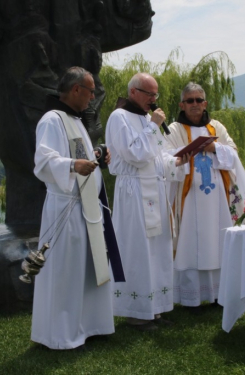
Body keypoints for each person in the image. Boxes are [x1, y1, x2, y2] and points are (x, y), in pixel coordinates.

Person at [31, 66, 124, 350]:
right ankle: (61, 334)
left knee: (87, 269)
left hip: (87, 208)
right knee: (66, 272)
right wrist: (73, 165)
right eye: (90, 91)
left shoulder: (75, 120)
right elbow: (44, 162)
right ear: (75, 90)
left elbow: (81, 156)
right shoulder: (52, 120)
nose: (93, 97)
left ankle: (89, 325)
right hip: (66, 208)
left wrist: (98, 155)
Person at [105, 72, 190, 331]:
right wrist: (153, 125)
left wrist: (176, 161)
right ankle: (136, 313)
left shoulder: (146, 118)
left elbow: (157, 156)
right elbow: (135, 154)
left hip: (155, 189)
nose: (153, 100)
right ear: (133, 92)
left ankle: (155, 309)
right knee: (138, 251)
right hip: (134, 191)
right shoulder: (119, 117)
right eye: (149, 94)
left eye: (156, 95)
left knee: (158, 250)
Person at [165, 82, 245, 310]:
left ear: (205, 103)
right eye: (190, 100)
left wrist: (214, 149)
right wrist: (184, 154)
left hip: (218, 200)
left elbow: (233, 154)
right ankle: (190, 298)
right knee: (189, 244)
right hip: (188, 198)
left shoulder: (216, 128)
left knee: (218, 241)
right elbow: (163, 157)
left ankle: (218, 295)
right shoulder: (173, 130)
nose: (195, 105)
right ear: (182, 104)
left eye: (199, 100)